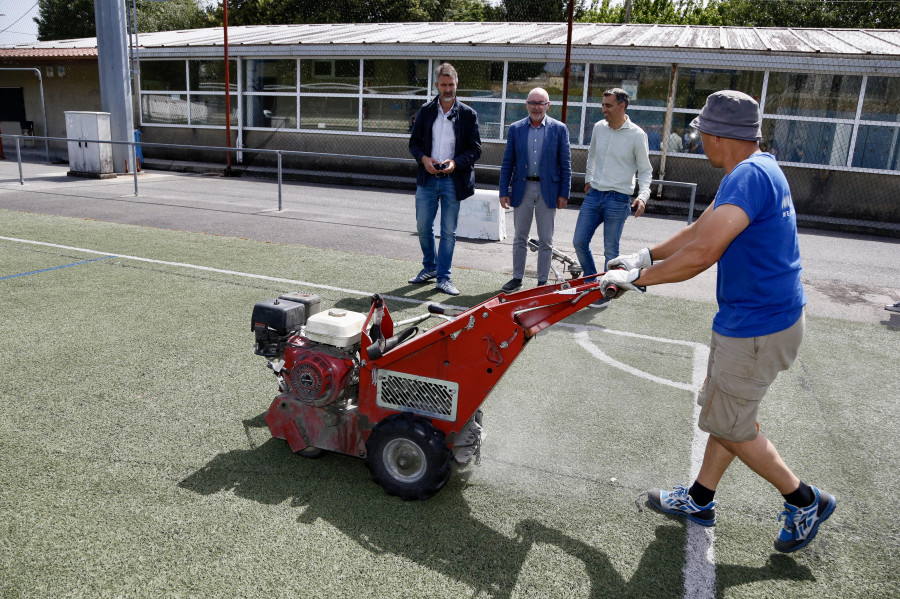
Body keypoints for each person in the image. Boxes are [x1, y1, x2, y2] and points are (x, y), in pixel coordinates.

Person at [599, 90, 836, 554]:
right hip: (761, 319)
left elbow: (704, 254)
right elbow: (700, 231)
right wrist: (643, 256)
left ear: (718, 135)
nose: (698, 140)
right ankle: (701, 498)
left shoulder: (748, 178)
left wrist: (637, 280)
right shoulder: (753, 170)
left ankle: (805, 499)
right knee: (725, 411)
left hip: (757, 327)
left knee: (730, 424)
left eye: (701, 133)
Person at [408, 62, 482, 296]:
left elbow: (475, 149)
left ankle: (444, 277)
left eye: (451, 84)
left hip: (453, 179)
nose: (447, 89)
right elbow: (414, 143)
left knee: (448, 231)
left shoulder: (469, 114)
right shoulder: (426, 111)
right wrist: (424, 159)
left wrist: (455, 164)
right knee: (422, 226)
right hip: (428, 178)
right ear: (436, 85)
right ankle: (429, 267)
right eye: (443, 85)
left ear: (456, 84)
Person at [573, 87, 652, 308]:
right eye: (603, 105)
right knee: (579, 241)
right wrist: (589, 179)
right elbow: (593, 155)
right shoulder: (599, 128)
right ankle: (591, 283)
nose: (603, 109)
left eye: (608, 105)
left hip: (619, 199)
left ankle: (606, 292)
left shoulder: (637, 135)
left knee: (611, 251)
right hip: (594, 194)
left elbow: (645, 170)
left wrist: (643, 197)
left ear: (621, 106)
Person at [498, 87, 572, 292]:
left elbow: (565, 164)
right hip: (522, 189)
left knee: (546, 240)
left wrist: (564, 193)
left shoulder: (559, 129)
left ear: (548, 105)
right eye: (533, 102)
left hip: (548, 190)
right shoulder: (515, 128)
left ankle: (542, 282)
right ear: (526, 105)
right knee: (520, 237)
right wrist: (503, 191)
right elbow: (508, 162)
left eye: (541, 103)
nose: (536, 107)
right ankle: (517, 278)